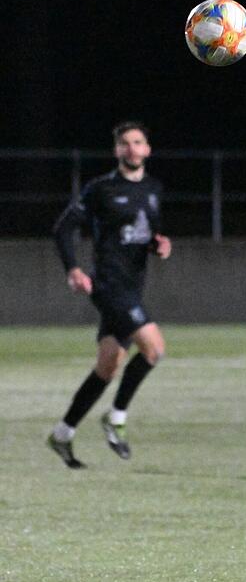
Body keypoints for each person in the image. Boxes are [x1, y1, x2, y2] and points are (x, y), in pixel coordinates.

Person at [47, 121, 171, 469]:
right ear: (117, 151)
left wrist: (159, 245)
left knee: (108, 365)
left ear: (147, 149)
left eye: (137, 142)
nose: (131, 149)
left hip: (133, 286)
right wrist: (73, 268)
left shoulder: (153, 189)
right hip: (109, 286)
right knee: (154, 349)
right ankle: (116, 417)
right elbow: (63, 228)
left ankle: (62, 433)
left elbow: (148, 233)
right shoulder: (100, 189)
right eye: (125, 144)